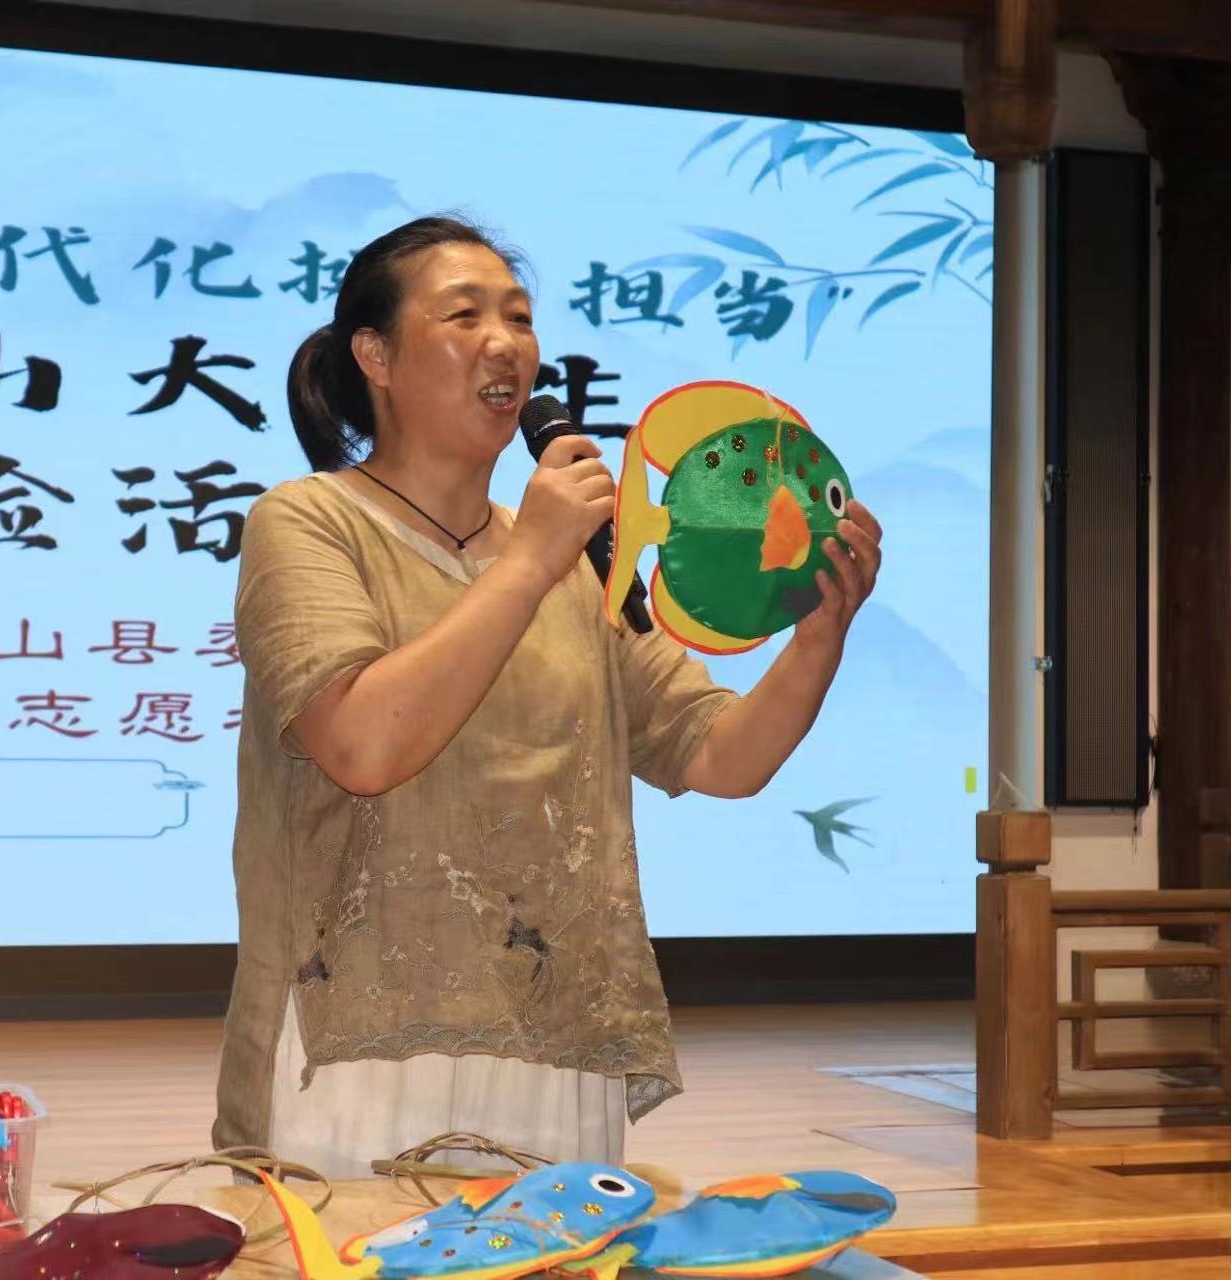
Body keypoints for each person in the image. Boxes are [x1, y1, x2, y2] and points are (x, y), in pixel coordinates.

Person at [211, 215, 882, 1176]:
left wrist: (819, 637)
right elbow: (362, 747)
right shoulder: (310, 520)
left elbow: (721, 756)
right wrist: (530, 558)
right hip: (357, 1038)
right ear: (375, 356)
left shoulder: (579, 561)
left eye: (520, 319)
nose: (506, 344)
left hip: (555, 1037)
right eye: (465, 316)